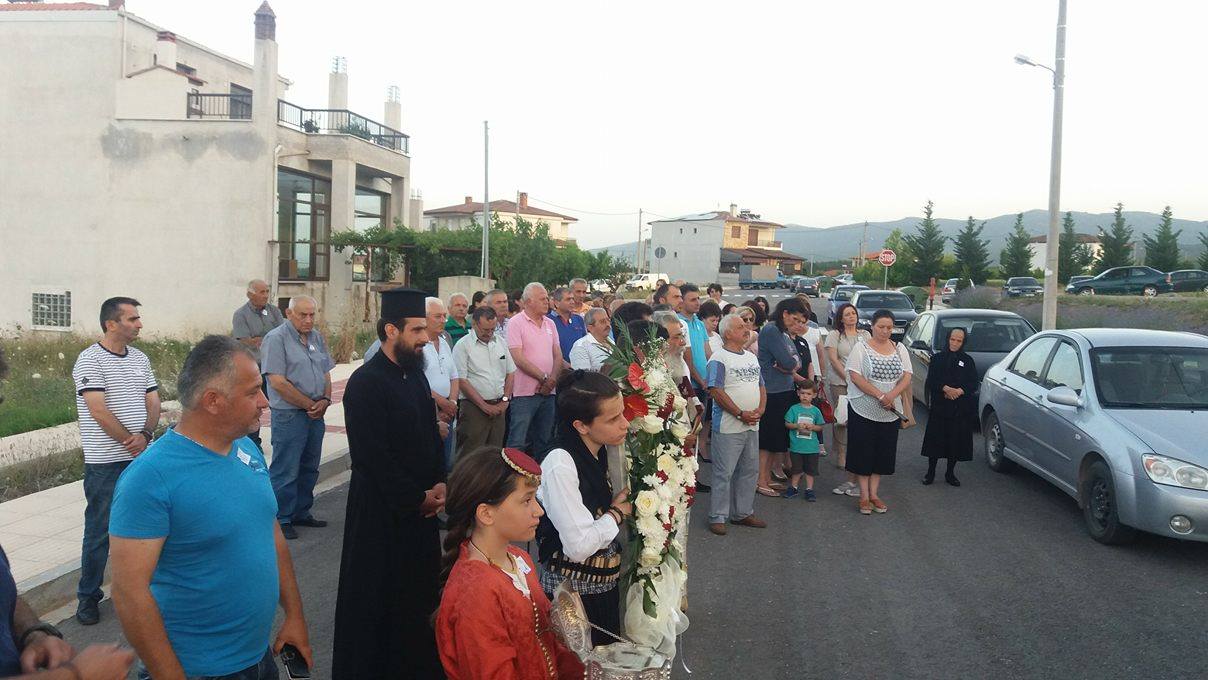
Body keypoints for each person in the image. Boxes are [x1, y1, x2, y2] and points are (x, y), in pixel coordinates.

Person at [110, 335, 312, 680]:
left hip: (259, 660)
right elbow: (129, 593)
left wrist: (294, 616)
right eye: (253, 392)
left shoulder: (246, 449)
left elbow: (271, 534)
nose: (264, 401)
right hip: (196, 671)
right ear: (213, 401)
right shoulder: (149, 478)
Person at [333, 288, 448, 679]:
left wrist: (439, 482)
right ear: (390, 330)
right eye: (417, 330)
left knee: (418, 603)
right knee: (377, 606)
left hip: (421, 515)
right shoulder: (365, 384)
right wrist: (417, 497)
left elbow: (431, 435)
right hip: (380, 517)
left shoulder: (415, 376)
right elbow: (371, 457)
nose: (425, 338)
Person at [435, 447, 585, 679]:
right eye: (526, 500)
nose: (539, 511)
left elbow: (547, 643)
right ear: (486, 514)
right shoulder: (476, 591)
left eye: (535, 498)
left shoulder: (519, 558)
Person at [71, 297, 160, 626]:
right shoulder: (89, 360)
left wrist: (146, 435)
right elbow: (98, 409)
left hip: (141, 458)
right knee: (99, 531)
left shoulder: (140, 358)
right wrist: (129, 441)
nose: (139, 324)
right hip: (105, 464)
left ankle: (143, 587)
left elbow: (153, 400)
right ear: (111, 324)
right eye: (132, 319)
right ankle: (88, 596)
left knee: (149, 525)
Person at [535, 371, 633, 646]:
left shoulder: (600, 447)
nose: (625, 424)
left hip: (600, 589)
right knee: (581, 664)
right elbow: (578, 546)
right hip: (574, 595)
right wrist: (616, 513)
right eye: (613, 419)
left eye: (622, 413)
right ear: (581, 426)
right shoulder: (560, 463)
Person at [260, 295, 333, 540]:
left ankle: (301, 511)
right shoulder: (276, 339)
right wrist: (310, 404)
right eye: (303, 315)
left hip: (315, 414)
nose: (309, 320)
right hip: (290, 415)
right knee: (286, 468)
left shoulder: (316, 337)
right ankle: (281, 518)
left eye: (312, 314)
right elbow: (277, 382)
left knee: (309, 467)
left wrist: (325, 399)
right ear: (289, 314)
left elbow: (325, 372)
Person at [844, 309, 912, 515]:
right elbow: (855, 376)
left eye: (889, 327)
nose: (885, 331)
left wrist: (891, 395)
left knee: (882, 452)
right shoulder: (861, 348)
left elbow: (907, 375)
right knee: (863, 451)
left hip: (889, 411)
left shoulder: (899, 348)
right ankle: (863, 496)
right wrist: (880, 395)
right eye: (881, 327)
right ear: (872, 326)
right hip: (863, 408)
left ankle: (874, 494)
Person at [705, 314, 767, 536]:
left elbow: (761, 386)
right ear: (728, 333)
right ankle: (718, 516)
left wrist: (761, 409)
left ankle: (742, 513)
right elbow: (716, 390)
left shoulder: (751, 357)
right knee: (724, 472)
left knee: (750, 470)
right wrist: (740, 413)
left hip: (752, 424)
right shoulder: (719, 359)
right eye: (741, 326)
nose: (746, 329)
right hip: (729, 426)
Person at [756, 299, 809, 497]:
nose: (796, 323)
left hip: (783, 389)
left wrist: (789, 365)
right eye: (794, 319)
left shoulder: (783, 332)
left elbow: (797, 360)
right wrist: (789, 365)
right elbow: (789, 361)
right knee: (767, 439)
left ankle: (767, 477)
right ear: (785, 313)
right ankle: (761, 480)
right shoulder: (772, 330)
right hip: (771, 391)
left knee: (776, 439)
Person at [507, 283, 563, 455]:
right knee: (518, 440)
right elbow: (517, 358)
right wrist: (544, 378)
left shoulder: (550, 324)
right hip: (524, 393)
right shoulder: (515, 323)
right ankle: (511, 471)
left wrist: (552, 380)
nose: (547, 301)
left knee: (544, 439)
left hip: (549, 392)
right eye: (542, 299)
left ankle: (540, 470)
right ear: (529, 301)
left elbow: (558, 355)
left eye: (547, 298)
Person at [453, 307, 515, 456]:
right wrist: (483, 405)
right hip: (473, 408)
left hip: (499, 406)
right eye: (485, 330)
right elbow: (461, 380)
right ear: (474, 324)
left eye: (492, 329)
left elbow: (510, 372)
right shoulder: (463, 346)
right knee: (471, 452)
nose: (489, 333)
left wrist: (505, 400)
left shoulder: (500, 342)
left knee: (494, 453)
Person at [920, 327, 977, 486]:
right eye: (953, 339)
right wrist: (945, 389)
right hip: (940, 407)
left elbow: (973, 383)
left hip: (959, 409)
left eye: (959, 341)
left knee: (955, 442)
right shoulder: (937, 358)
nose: (955, 343)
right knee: (935, 441)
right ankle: (930, 472)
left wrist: (959, 391)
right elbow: (931, 380)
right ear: (947, 339)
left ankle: (950, 473)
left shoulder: (967, 361)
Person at [231, 280, 284, 449]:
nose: (266, 295)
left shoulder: (274, 311)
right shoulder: (241, 315)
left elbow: (283, 334)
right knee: (253, 406)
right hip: (255, 366)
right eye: (262, 292)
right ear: (250, 294)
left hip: (275, 365)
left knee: (279, 404)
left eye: (267, 291)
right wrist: (267, 339)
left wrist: (260, 339)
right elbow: (245, 341)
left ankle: (280, 440)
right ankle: (253, 443)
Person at [825, 303, 869, 497]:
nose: (851, 317)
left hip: (861, 384)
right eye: (847, 314)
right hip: (840, 381)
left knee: (859, 419)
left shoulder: (865, 335)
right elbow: (833, 360)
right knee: (842, 418)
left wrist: (860, 381)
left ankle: (856, 453)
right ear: (841, 318)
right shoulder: (835, 335)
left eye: (853, 313)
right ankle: (841, 453)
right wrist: (849, 378)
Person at [424, 297, 462, 470]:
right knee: (430, 463)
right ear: (424, 318)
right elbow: (419, 381)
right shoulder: (418, 346)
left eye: (444, 316)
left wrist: (452, 403)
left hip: (448, 410)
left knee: (446, 463)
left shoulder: (444, 341)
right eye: (438, 316)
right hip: (429, 410)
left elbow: (454, 375)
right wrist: (443, 404)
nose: (443, 320)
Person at [782, 381, 825, 501]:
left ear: (814, 395)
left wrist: (813, 427)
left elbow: (820, 426)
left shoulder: (816, 411)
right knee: (796, 469)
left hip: (811, 447)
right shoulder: (794, 409)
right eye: (802, 393)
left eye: (808, 394)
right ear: (798, 393)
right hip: (797, 446)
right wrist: (796, 426)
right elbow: (787, 423)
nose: (805, 396)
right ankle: (794, 487)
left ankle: (809, 489)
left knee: (810, 470)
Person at [548, 287, 587, 363]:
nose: (572, 302)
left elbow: (585, 343)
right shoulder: (548, 321)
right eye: (568, 299)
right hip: (558, 367)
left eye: (573, 299)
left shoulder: (579, 319)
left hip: (580, 365)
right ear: (557, 303)